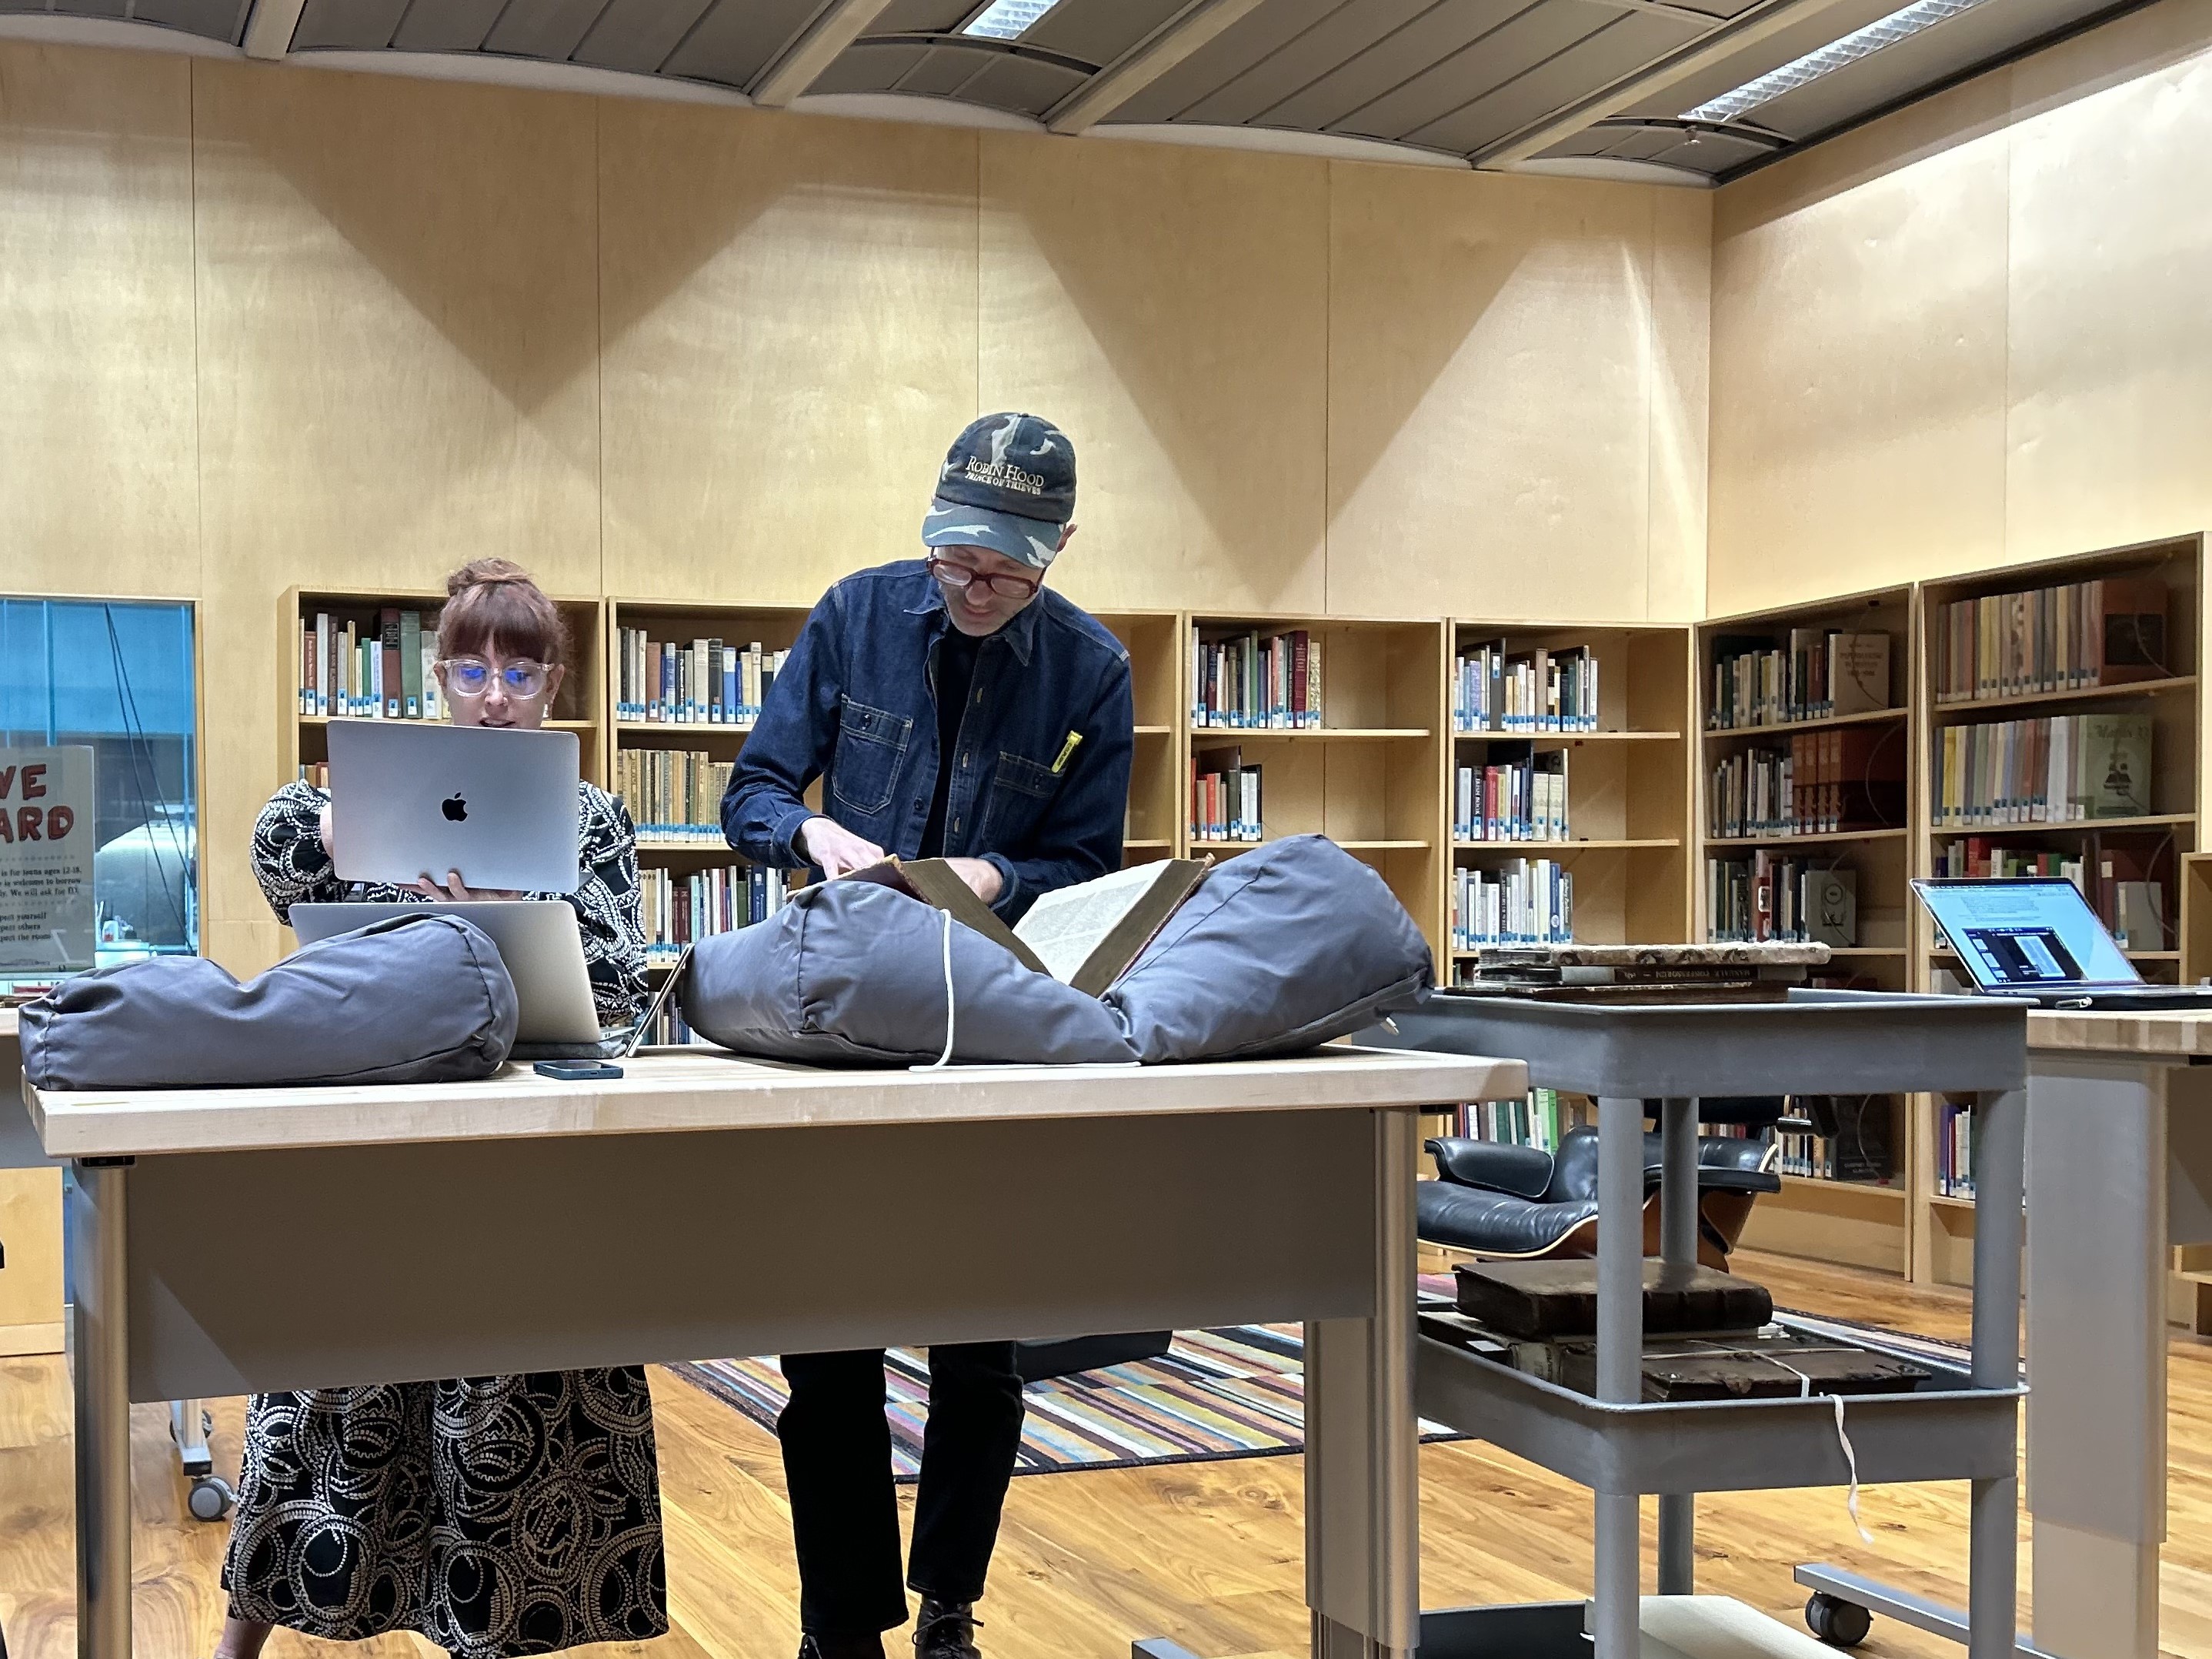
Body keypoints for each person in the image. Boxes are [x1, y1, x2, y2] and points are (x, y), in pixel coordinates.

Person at [722, 412, 1135, 1659]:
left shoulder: (1094, 672)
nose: (975, 588)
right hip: (843, 1019)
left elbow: (1089, 867)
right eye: (957, 558)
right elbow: (752, 789)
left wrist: (996, 877)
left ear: (1058, 550)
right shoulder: (854, 616)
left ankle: (951, 1603)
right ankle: (843, 1622)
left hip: (987, 1022)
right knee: (828, 1344)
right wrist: (814, 838)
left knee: (979, 1343)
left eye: (1005, 571)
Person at [216, 559, 665, 1659]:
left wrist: (525, 908)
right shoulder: (371, 802)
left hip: (529, 1153)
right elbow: (278, 856)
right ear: (438, 676)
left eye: (520, 668)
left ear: (555, 680)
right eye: (471, 668)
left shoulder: (589, 817)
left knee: (509, 1410)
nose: (495, 692)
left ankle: (488, 1635)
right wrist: (339, 831)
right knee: (330, 1389)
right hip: (382, 1141)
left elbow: (618, 985)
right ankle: (240, 1637)